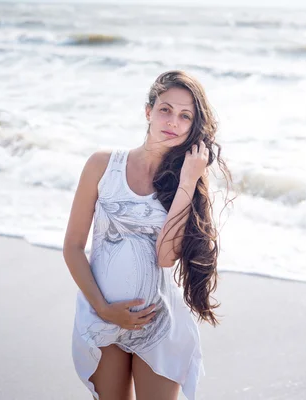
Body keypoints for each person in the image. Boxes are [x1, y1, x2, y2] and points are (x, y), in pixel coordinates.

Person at [63, 70, 232, 400]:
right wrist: (102, 307)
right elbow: (72, 246)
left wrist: (187, 183)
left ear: (193, 127)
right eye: (165, 109)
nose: (173, 121)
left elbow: (165, 256)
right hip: (102, 318)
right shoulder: (102, 165)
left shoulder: (186, 184)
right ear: (148, 111)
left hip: (158, 325)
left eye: (185, 116)